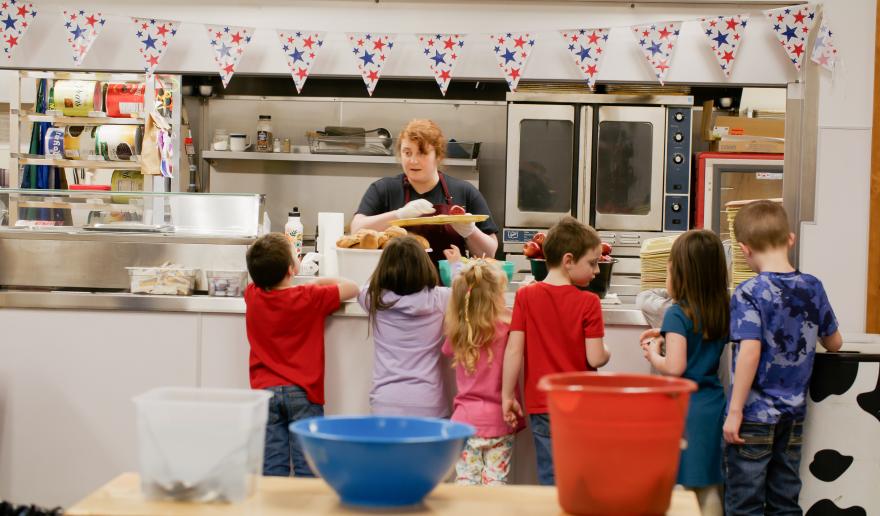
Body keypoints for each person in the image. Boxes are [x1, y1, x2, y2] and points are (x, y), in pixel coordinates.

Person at [723, 200, 842, 515]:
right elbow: (835, 342)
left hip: (753, 416)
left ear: (745, 250)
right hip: (793, 417)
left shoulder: (748, 293)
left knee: (745, 503)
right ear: (791, 238)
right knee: (785, 501)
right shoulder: (812, 287)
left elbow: (749, 351)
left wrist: (734, 411)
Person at [501, 216, 610, 485]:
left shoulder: (526, 296)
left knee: (551, 477)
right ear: (569, 260)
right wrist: (607, 352)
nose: (596, 272)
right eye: (593, 263)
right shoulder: (589, 302)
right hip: (582, 404)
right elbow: (596, 357)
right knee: (581, 476)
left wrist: (506, 396)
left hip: (542, 404)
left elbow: (514, 350)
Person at [244, 233, 358, 477]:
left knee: (272, 466)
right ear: (291, 269)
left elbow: (259, 283)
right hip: (305, 393)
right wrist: (315, 283)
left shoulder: (252, 296)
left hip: (265, 392)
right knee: (308, 465)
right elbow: (352, 288)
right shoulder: (309, 297)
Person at [639, 230, 728, 516]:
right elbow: (700, 339)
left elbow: (675, 367)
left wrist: (654, 353)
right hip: (712, 403)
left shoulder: (676, 314)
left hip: (685, 408)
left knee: (684, 485)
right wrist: (667, 334)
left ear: (680, 274)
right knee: (709, 482)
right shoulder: (721, 309)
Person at [351, 119, 498, 263]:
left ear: (438, 156)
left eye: (422, 153)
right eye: (407, 153)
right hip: (396, 285)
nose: (413, 161)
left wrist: (471, 232)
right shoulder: (383, 189)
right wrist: (398, 214)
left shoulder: (464, 191)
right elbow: (356, 230)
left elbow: (489, 253)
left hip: (448, 284)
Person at [442, 250, 524, 485]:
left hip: (464, 422)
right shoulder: (506, 329)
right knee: (495, 484)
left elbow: (448, 349)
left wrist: (456, 266)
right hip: (500, 419)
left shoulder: (459, 332)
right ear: (497, 297)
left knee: (466, 481)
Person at [358, 236, 454, 417]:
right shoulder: (440, 298)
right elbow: (464, 291)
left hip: (385, 403)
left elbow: (364, 287)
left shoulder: (374, 298)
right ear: (425, 266)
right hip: (429, 403)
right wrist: (455, 266)